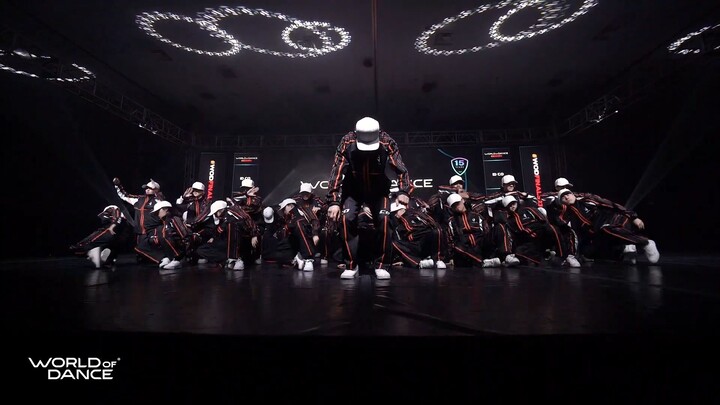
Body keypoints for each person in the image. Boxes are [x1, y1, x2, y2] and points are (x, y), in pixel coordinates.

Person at [326, 117, 414, 280]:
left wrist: (404, 191)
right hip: (353, 189)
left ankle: (382, 265)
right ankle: (351, 265)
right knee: (346, 219)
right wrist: (334, 201)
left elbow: (400, 168)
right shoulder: (347, 141)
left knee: (384, 220)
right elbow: (337, 171)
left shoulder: (387, 141)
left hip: (378, 189)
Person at [557, 189, 660, 264]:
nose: (566, 197)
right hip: (603, 231)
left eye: (568, 194)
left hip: (616, 219)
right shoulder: (570, 215)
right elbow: (577, 235)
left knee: (607, 228)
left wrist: (633, 217)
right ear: (562, 202)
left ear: (573, 194)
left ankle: (646, 243)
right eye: (563, 197)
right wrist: (573, 255)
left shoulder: (587, 199)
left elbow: (612, 205)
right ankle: (626, 248)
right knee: (593, 250)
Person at [445, 194, 501, 268]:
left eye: (458, 203)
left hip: (480, 245)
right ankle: (482, 263)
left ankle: (504, 257)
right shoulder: (451, 221)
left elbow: (486, 231)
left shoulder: (476, 216)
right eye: (454, 206)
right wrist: (451, 257)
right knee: (457, 247)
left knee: (498, 228)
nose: (457, 207)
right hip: (466, 249)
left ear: (462, 201)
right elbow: (450, 240)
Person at [279, 198, 316, 272]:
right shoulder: (288, 217)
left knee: (299, 224)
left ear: (290, 206)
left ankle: (308, 260)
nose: (283, 211)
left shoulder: (303, 211)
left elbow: (314, 221)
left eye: (284, 209)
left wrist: (315, 234)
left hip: (309, 238)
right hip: (296, 243)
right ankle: (298, 257)